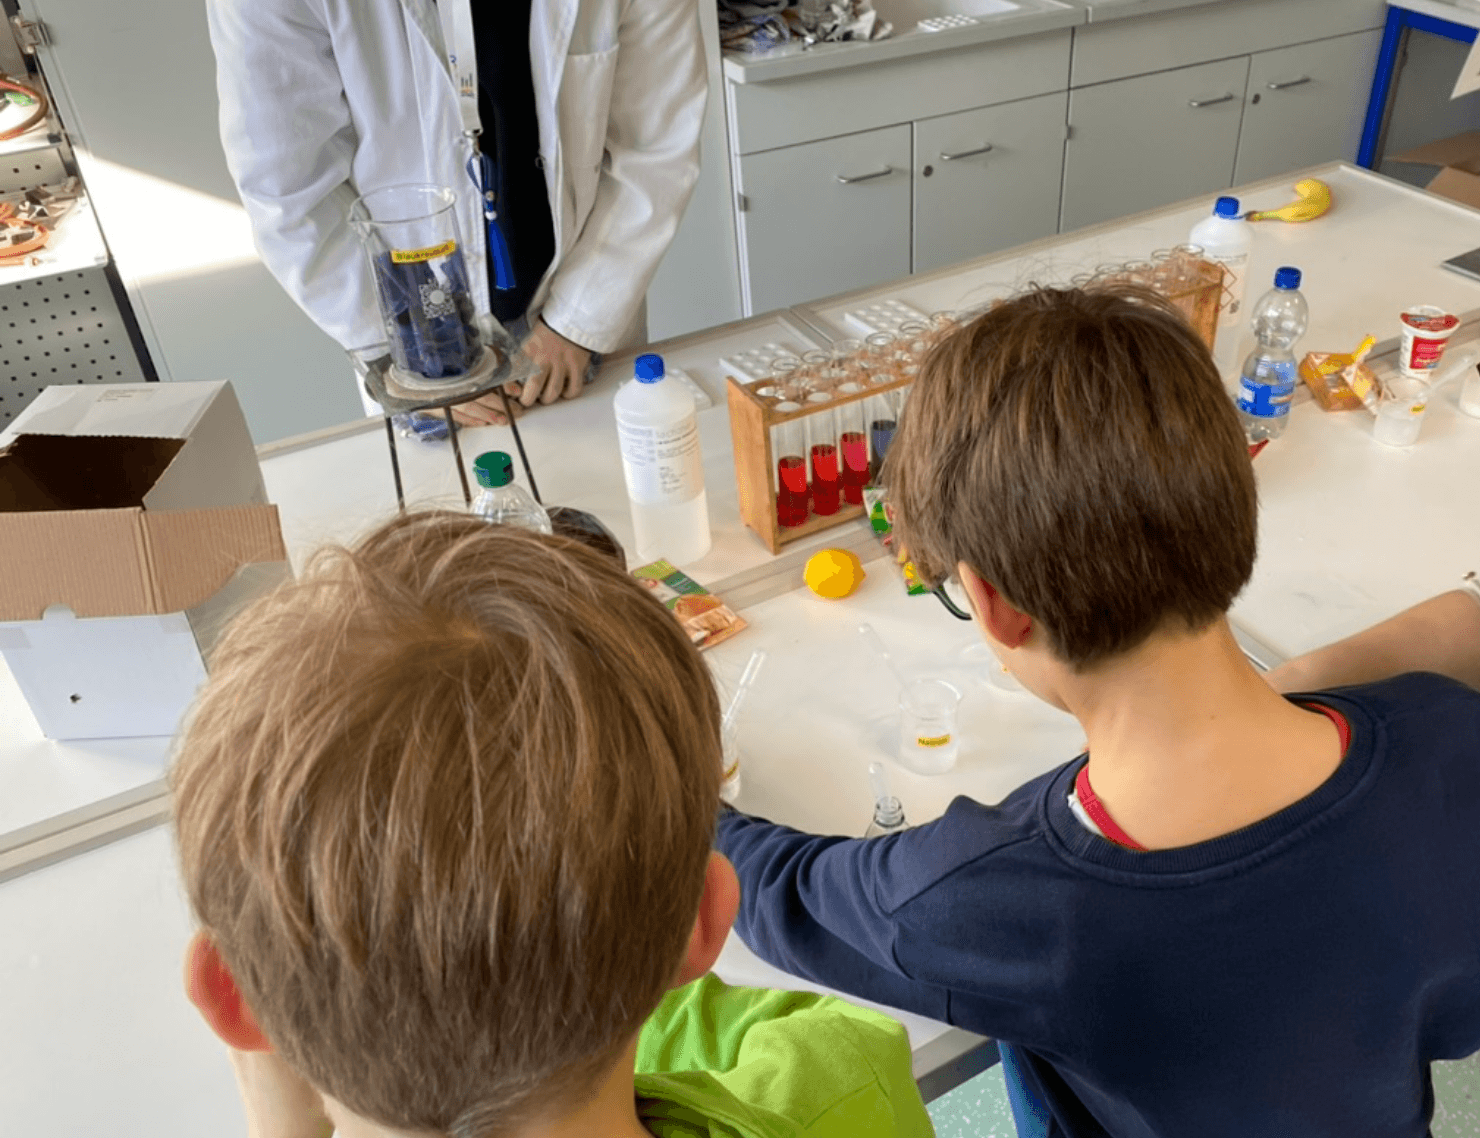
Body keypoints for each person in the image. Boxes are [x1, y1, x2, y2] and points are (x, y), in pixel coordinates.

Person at [713, 284, 1480, 1137]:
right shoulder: (1448, 745)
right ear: (1233, 508)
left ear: (995, 605)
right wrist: (1297, 684)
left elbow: (783, 893)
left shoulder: (992, 897)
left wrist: (687, 798)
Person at [171, 512, 933, 1138]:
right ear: (702, 921)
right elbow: (835, 1040)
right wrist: (589, 967)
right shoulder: (839, 1095)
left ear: (232, 999)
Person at [206, 0, 708, 425]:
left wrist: (580, 321)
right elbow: (286, 185)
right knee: (451, 530)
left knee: (618, 508)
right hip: (415, 330)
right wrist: (406, 358)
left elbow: (656, 142)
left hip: (582, 314)